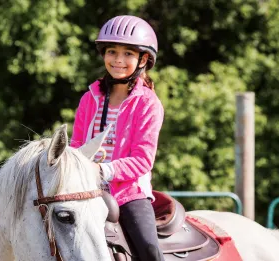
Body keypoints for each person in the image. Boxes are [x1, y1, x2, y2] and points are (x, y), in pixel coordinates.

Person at [70, 15, 165, 261]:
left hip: (128, 194)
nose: (118, 60)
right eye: (112, 51)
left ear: (143, 59)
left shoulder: (148, 104)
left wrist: (101, 171)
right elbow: (76, 145)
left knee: (149, 249)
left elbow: (142, 160)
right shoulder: (89, 98)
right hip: (84, 190)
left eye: (128, 54)